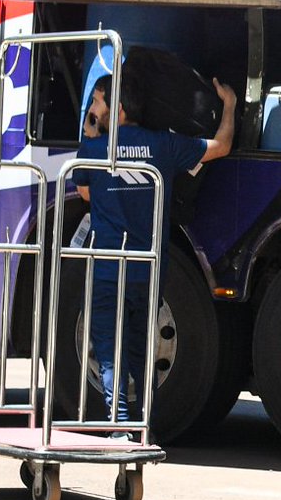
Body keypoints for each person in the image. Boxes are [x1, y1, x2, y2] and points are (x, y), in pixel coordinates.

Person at [74, 70, 236, 424]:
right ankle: (147, 421)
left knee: (107, 347)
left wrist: (89, 132)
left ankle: (119, 423)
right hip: (148, 268)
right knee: (139, 347)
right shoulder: (164, 144)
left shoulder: (94, 148)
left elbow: (85, 193)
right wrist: (230, 105)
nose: (94, 108)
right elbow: (221, 146)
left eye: (98, 103)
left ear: (116, 108)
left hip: (107, 266)